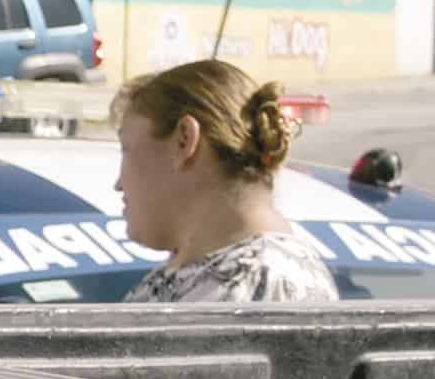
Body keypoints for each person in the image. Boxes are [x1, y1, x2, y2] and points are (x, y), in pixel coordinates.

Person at [113, 59, 337, 302]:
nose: (118, 184)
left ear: (184, 140)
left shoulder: (265, 283)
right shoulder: (208, 277)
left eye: (127, 149)